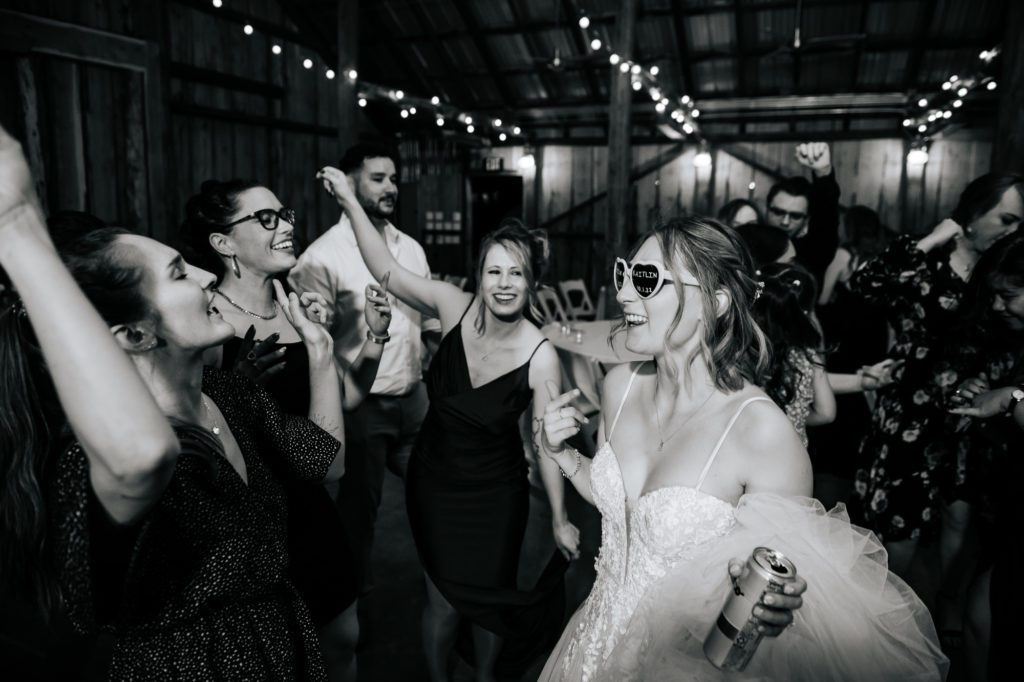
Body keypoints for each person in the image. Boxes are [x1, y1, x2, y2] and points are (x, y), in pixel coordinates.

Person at [0, 124, 345, 679]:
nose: (209, 275)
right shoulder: (91, 460)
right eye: (180, 273)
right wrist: (16, 227)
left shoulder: (231, 394)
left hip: (281, 647)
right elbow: (145, 457)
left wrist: (322, 352)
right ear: (134, 335)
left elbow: (327, 463)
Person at [538, 216, 946, 681]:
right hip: (593, 643)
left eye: (646, 279)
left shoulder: (762, 432)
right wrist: (563, 454)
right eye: (623, 274)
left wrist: (772, 603)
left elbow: (779, 582)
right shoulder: (619, 387)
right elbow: (621, 506)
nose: (625, 294)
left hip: (683, 663)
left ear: (714, 303)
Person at [316, 163, 580, 682]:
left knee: (490, 600)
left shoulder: (541, 355)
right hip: (434, 483)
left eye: (517, 274)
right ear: (478, 274)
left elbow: (546, 443)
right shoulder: (451, 306)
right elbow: (385, 267)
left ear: (533, 282)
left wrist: (558, 516)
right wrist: (349, 199)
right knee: (441, 601)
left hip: (496, 495)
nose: (504, 285)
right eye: (494, 271)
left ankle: (483, 678)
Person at [180, 179, 393, 682]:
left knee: (343, 637)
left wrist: (376, 337)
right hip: (250, 520)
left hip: (312, 510)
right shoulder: (209, 325)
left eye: (286, 214)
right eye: (267, 219)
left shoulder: (300, 307)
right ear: (224, 242)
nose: (287, 227)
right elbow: (192, 435)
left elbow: (346, 401)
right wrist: (235, 388)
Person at [847, 173, 1023, 590]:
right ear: (974, 214)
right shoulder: (927, 263)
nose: (1015, 231)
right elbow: (864, 284)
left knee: (960, 517)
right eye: (1007, 220)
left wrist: (992, 380)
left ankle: (947, 616)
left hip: (973, 412)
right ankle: (883, 620)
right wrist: (931, 237)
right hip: (912, 410)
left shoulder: (1002, 271)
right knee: (901, 521)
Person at [290, 142, 437, 598]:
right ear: (348, 185)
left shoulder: (409, 247)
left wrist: (431, 352)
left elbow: (429, 316)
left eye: (394, 178)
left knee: (437, 496)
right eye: (378, 178)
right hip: (361, 410)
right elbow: (310, 341)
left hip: (415, 403)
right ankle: (355, 614)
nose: (391, 187)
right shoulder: (320, 256)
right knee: (359, 515)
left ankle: (446, 589)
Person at [752, 262, 835, 446]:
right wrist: (795, 416)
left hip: (749, 446)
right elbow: (826, 413)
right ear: (805, 313)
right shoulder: (807, 356)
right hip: (791, 455)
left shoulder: (741, 350)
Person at [764, 142, 841, 284]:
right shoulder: (750, 245)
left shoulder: (812, 253)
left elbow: (826, 218)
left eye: (795, 216)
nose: (785, 221)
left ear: (806, 220)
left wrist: (823, 172)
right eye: (778, 212)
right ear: (767, 208)